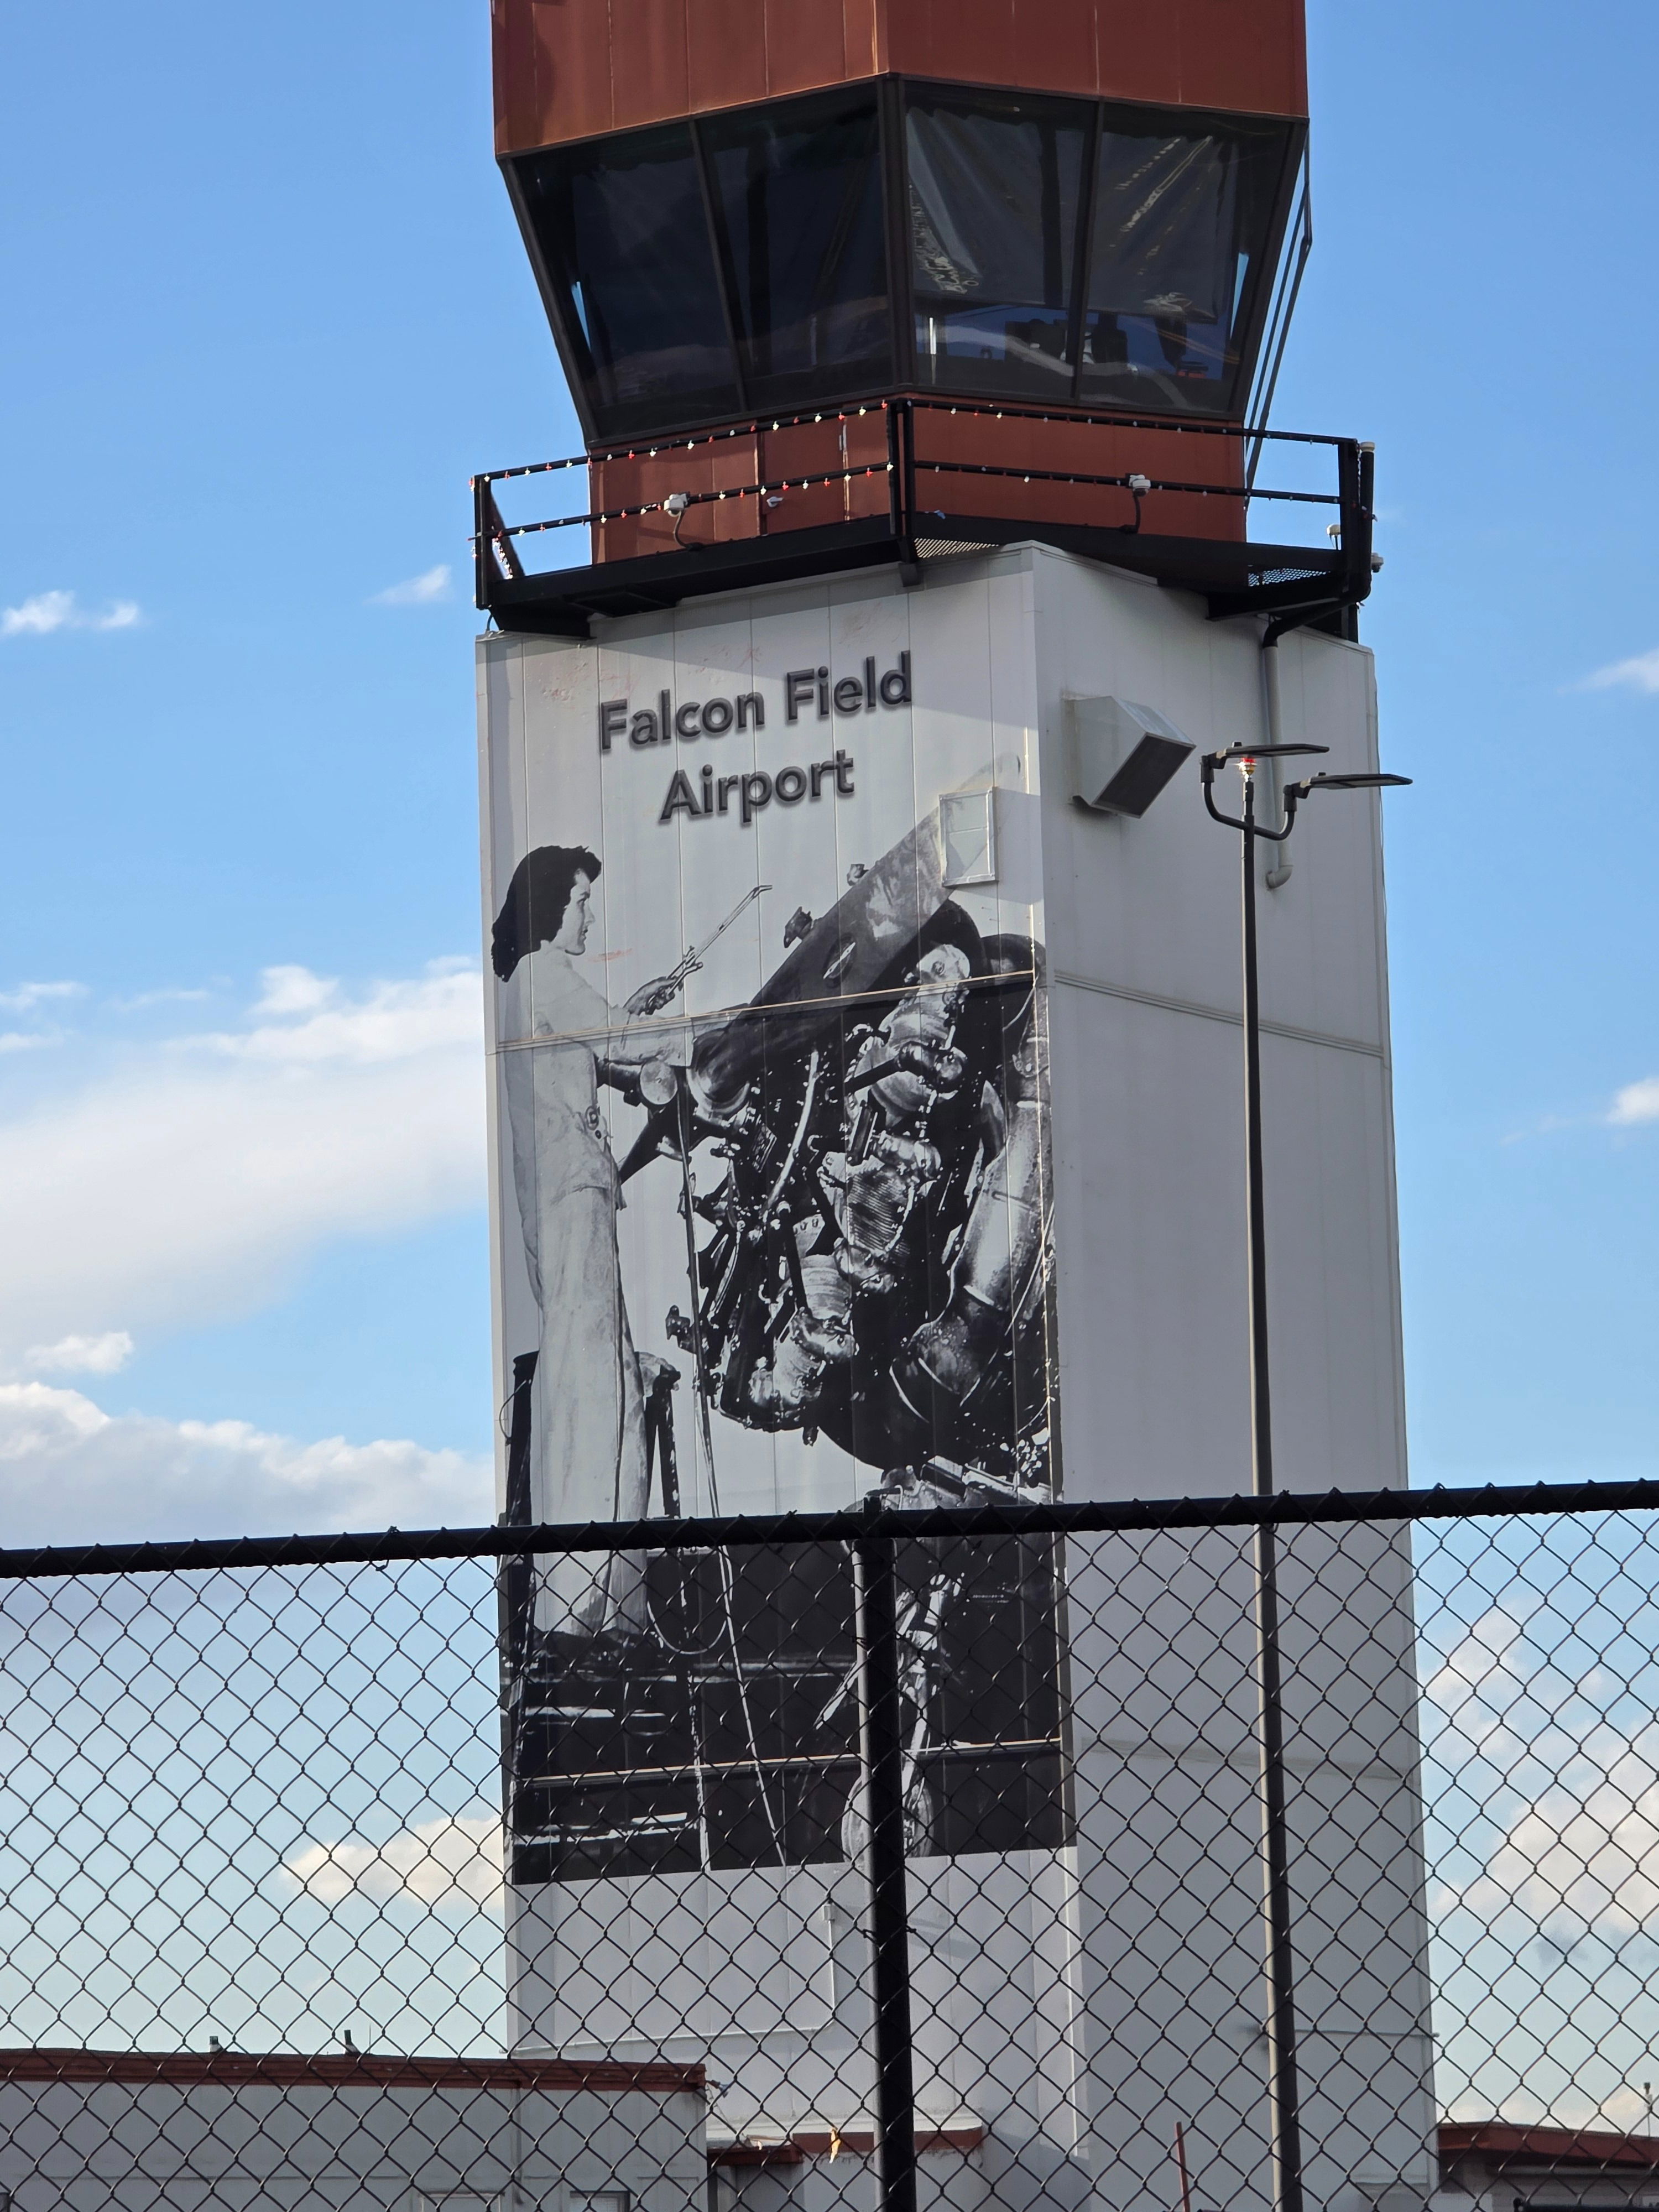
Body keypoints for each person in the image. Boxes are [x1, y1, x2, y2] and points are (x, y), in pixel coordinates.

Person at [492, 844, 678, 1646]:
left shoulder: (529, 989)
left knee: (596, 1379)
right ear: (549, 907)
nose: (589, 915)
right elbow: (617, 1038)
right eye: (580, 900)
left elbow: (594, 1046)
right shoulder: (542, 972)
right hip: (575, 1197)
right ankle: (589, 1600)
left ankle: (594, 1596)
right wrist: (721, 1032)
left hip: (567, 1199)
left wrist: (628, 1029)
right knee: (596, 1384)